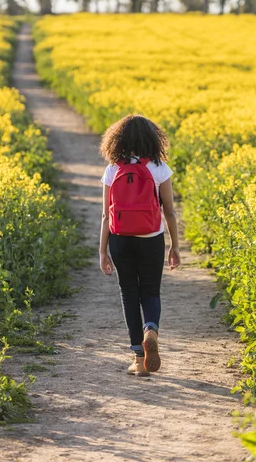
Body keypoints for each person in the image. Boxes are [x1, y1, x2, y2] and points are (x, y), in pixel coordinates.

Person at [99, 114, 181, 377]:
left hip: (120, 238)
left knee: (129, 294)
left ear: (117, 140)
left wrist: (102, 251)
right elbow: (169, 211)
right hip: (151, 237)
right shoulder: (159, 167)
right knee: (150, 291)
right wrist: (174, 246)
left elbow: (105, 215)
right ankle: (151, 330)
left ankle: (138, 358)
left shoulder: (113, 168)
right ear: (152, 139)